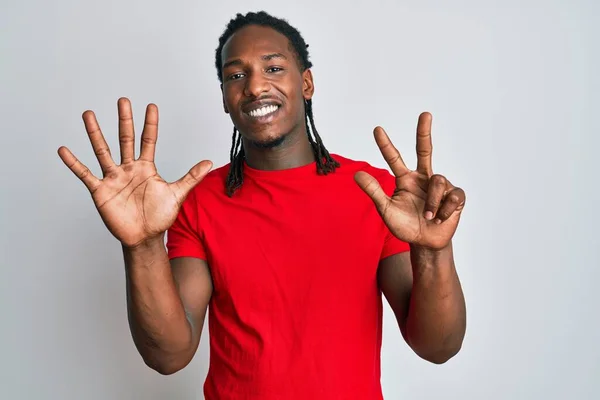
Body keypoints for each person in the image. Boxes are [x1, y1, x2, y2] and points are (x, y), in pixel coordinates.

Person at [58, 10, 467, 400]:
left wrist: (433, 251)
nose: (254, 86)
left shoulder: (376, 193)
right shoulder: (198, 201)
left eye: (273, 68)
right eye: (236, 75)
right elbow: (169, 355)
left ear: (306, 83)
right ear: (224, 97)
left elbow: (437, 346)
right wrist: (142, 245)